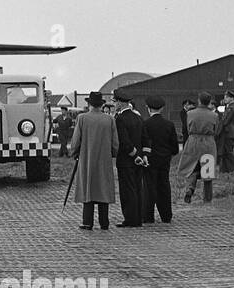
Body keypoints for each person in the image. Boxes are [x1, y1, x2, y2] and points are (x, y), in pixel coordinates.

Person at [68, 91, 117, 230]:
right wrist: (112, 154)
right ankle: (104, 222)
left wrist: (75, 153)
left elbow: (76, 140)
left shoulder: (82, 118)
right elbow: (115, 143)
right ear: (101, 104)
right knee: (103, 188)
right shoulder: (109, 119)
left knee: (88, 187)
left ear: (89, 104)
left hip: (87, 157)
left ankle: (87, 221)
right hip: (104, 159)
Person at [141, 96, 180, 224]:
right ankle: (166, 215)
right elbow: (174, 146)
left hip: (150, 159)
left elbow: (143, 142)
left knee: (149, 187)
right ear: (162, 108)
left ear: (148, 108)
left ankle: (148, 216)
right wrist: (170, 154)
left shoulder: (145, 124)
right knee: (164, 186)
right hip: (164, 160)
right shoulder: (169, 124)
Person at [177, 91, 219, 203]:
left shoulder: (190, 114)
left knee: (192, 168)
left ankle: (189, 189)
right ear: (209, 102)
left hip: (193, 141)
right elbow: (217, 130)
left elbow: (187, 127)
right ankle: (207, 198)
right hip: (208, 143)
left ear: (199, 100)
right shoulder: (214, 115)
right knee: (208, 171)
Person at [113, 90, 147, 227]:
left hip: (127, 160)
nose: (114, 105)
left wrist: (135, 156)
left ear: (121, 103)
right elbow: (145, 138)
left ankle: (130, 218)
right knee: (138, 188)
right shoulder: (138, 117)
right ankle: (138, 217)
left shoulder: (120, 119)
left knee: (128, 191)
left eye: (115, 102)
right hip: (139, 160)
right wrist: (144, 156)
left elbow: (124, 142)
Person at [215, 91, 234, 174]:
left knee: (228, 151)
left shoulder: (231, 108)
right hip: (230, 131)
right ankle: (224, 169)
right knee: (224, 151)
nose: (225, 99)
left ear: (232, 98)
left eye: (226, 97)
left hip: (228, 132)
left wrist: (217, 132)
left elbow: (225, 121)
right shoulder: (231, 107)